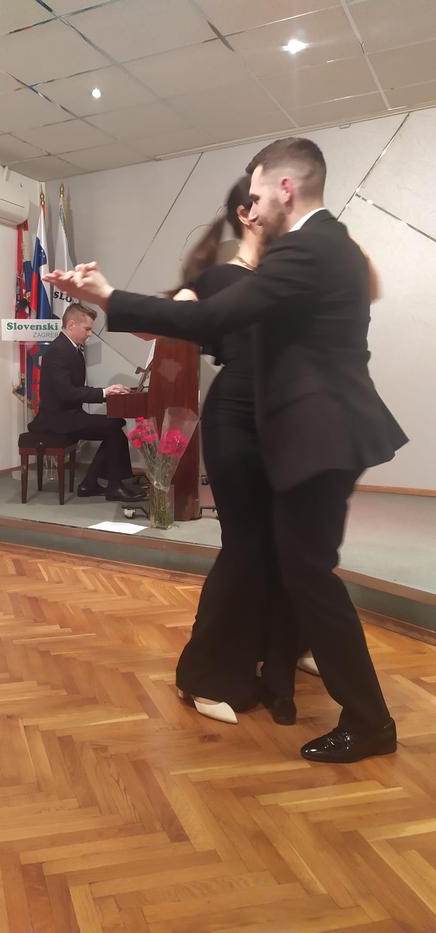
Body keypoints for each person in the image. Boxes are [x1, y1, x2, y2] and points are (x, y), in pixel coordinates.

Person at [45, 137, 408, 764]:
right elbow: (215, 314)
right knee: (299, 568)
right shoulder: (332, 245)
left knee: (307, 575)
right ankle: (296, 680)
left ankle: (370, 720)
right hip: (316, 433)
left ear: (285, 189)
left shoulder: (310, 248)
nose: (253, 202)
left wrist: (107, 298)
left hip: (318, 435)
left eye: (259, 189)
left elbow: (213, 318)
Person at [168, 176, 299, 726]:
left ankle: (276, 649)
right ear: (247, 213)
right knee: (245, 545)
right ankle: (202, 675)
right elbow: (178, 310)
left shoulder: (282, 277)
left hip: (284, 420)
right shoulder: (222, 277)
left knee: (280, 543)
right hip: (237, 418)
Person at [28, 303, 146, 502]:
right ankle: (111, 485)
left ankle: (93, 483)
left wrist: (108, 391)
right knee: (114, 426)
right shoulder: (58, 351)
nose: (90, 334)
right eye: (87, 329)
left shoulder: (70, 349)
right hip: (57, 420)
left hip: (69, 415)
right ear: (71, 325)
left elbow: (74, 390)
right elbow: (66, 393)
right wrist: (105, 392)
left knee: (115, 426)